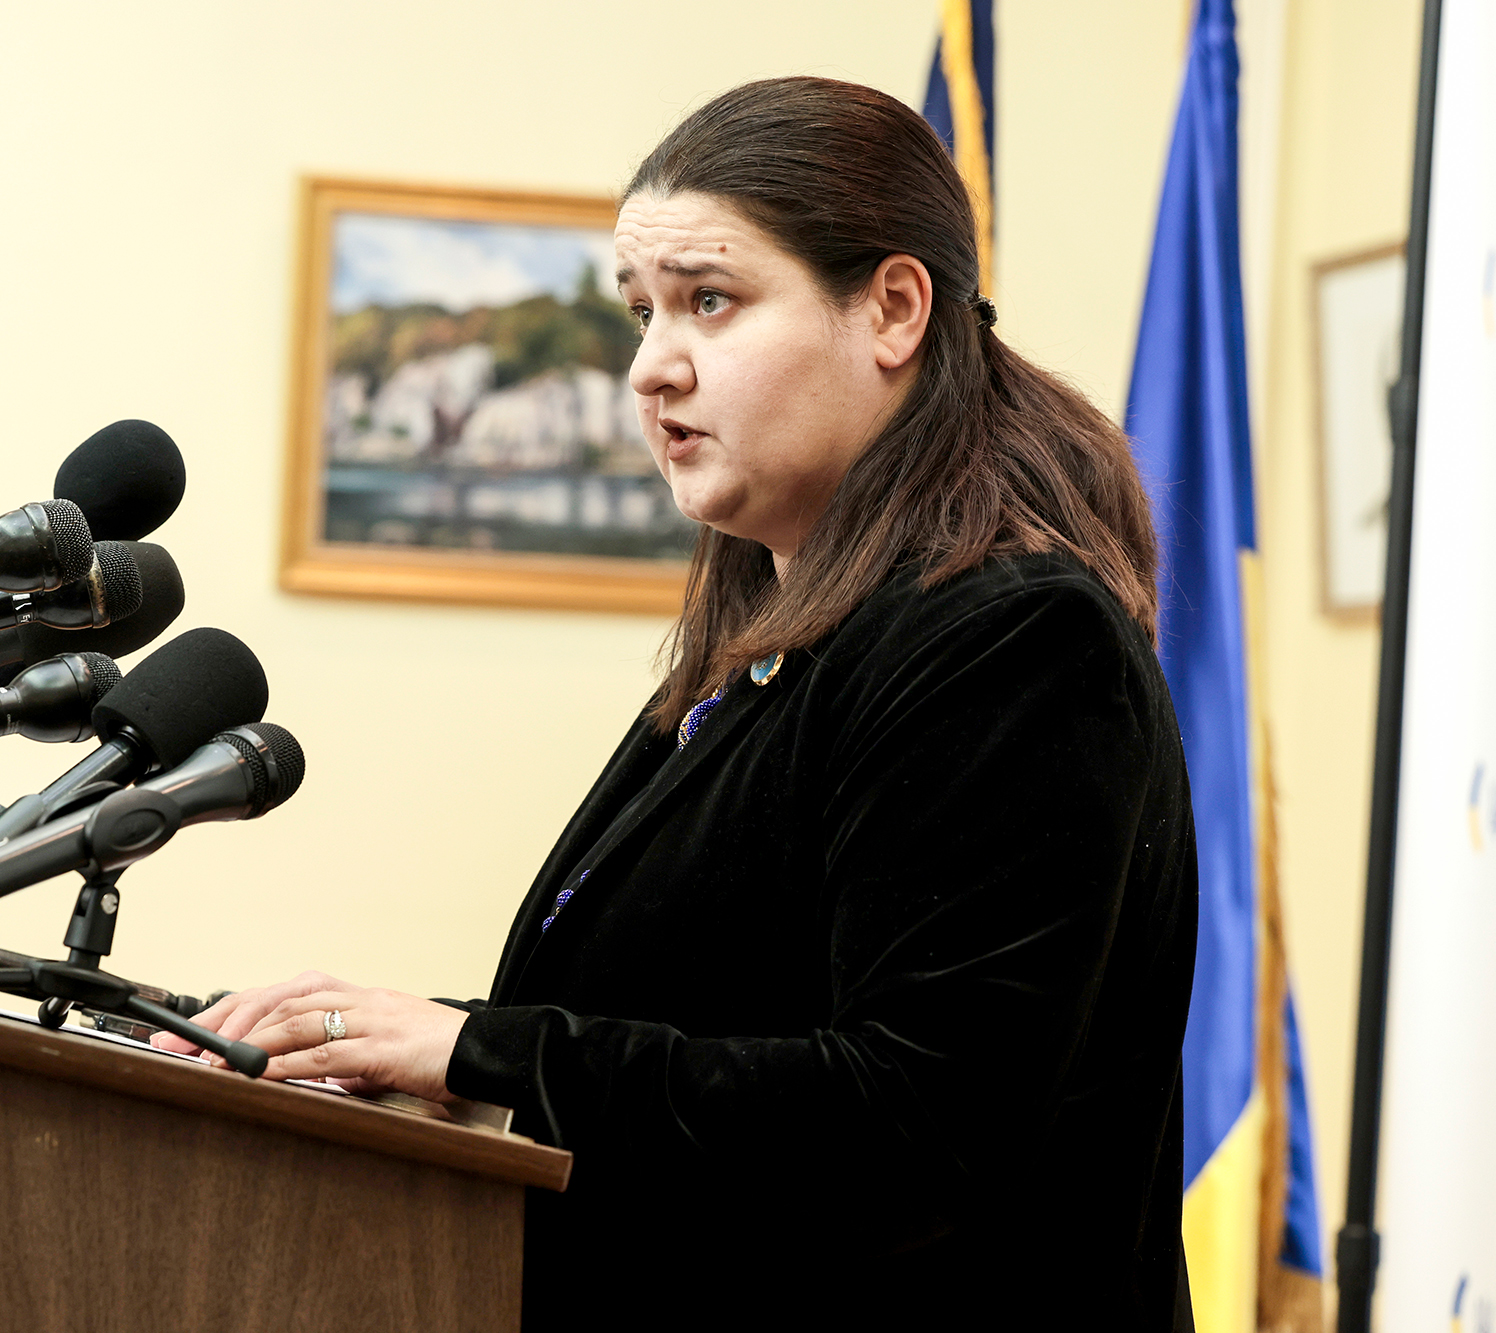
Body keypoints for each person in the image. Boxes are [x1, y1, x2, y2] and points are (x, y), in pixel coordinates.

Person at [161, 76, 1196, 1329]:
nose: (650, 369)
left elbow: (909, 1129)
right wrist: (423, 1066)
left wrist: (478, 1054)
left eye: (710, 300)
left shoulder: (1013, 641)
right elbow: (696, 1028)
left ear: (891, 309)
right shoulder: (775, 639)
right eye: (641, 311)